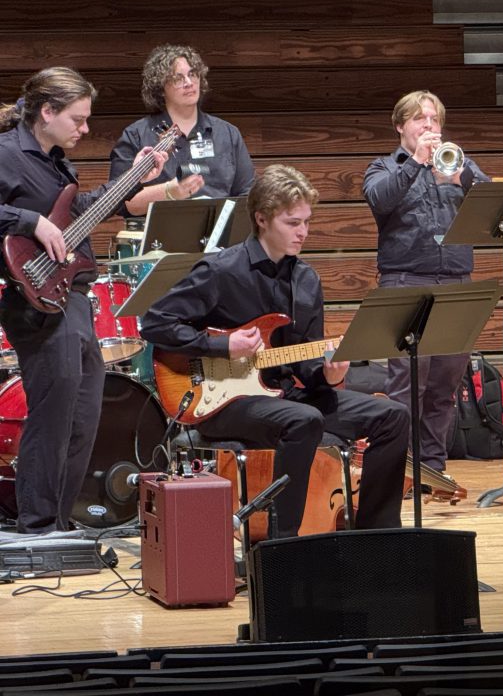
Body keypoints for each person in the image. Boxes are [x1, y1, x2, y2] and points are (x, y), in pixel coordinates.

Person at [141, 164, 409, 536]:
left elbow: (307, 362)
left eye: (306, 222)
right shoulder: (222, 271)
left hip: (283, 393)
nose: (302, 232)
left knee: (393, 415)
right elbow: (154, 323)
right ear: (262, 219)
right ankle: (282, 545)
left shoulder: (307, 280)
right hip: (223, 401)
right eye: (292, 222)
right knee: (304, 421)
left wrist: (329, 375)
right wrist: (222, 344)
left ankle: (378, 536)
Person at [0, 67, 168, 533]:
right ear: (47, 112)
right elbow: (34, 220)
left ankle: (59, 521)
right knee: (54, 417)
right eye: (77, 119)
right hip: (32, 300)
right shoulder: (6, 154)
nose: (85, 129)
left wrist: (135, 178)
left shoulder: (57, 161)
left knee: (84, 414)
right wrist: (29, 222)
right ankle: (36, 526)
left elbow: (79, 210)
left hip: (70, 296)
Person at [363, 91, 489, 473]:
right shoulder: (383, 167)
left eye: (434, 119)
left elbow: (490, 198)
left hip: (455, 282)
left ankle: (433, 467)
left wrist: (462, 171)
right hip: (405, 281)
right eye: (420, 119)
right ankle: (399, 467)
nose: (429, 126)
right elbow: (380, 200)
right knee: (406, 385)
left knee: (444, 387)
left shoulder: (455, 164)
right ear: (401, 125)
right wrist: (416, 163)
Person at [110, 44, 255, 215]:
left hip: (220, 236)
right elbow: (121, 203)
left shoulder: (228, 134)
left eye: (193, 74)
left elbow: (248, 194)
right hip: (159, 236)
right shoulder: (136, 136)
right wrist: (169, 192)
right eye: (178, 78)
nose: (189, 83)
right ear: (160, 88)